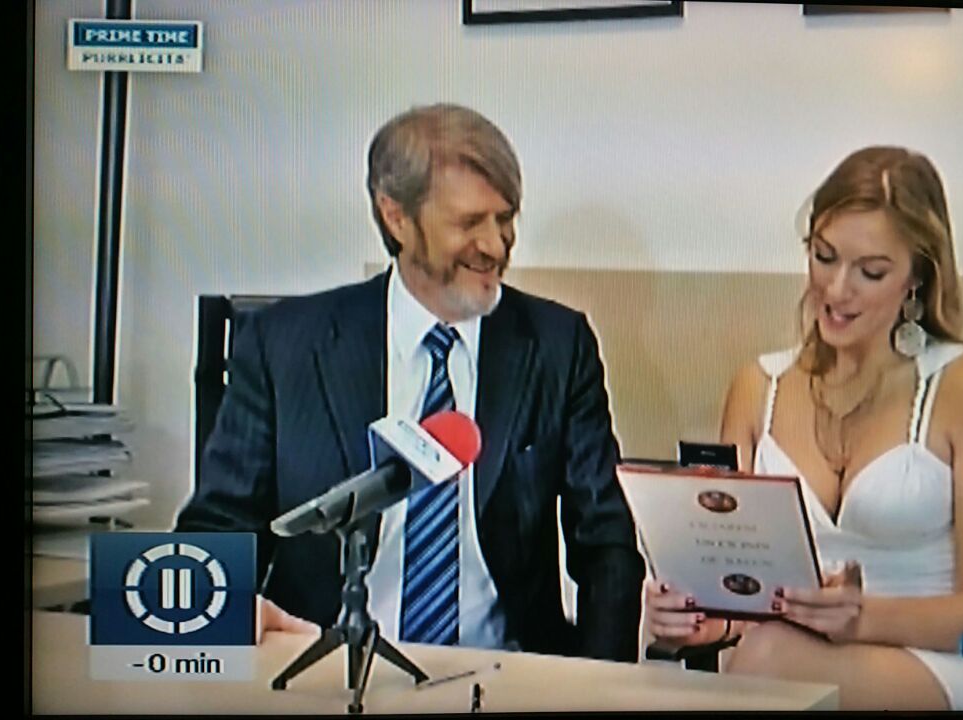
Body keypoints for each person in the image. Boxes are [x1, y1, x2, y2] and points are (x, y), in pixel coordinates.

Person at [176, 103, 645, 662]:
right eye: (470, 223)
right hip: (321, 668)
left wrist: (602, 688)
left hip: (503, 673)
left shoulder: (556, 346)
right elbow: (220, 527)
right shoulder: (285, 346)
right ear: (396, 217)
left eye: (505, 219)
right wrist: (215, 620)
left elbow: (606, 544)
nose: (496, 245)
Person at [644, 147, 963, 710]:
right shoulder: (757, 386)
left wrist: (858, 620)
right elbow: (737, 585)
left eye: (871, 271)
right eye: (824, 257)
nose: (837, 290)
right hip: (795, 654)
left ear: (917, 276)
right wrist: (702, 620)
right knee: (753, 654)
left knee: (768, 660)